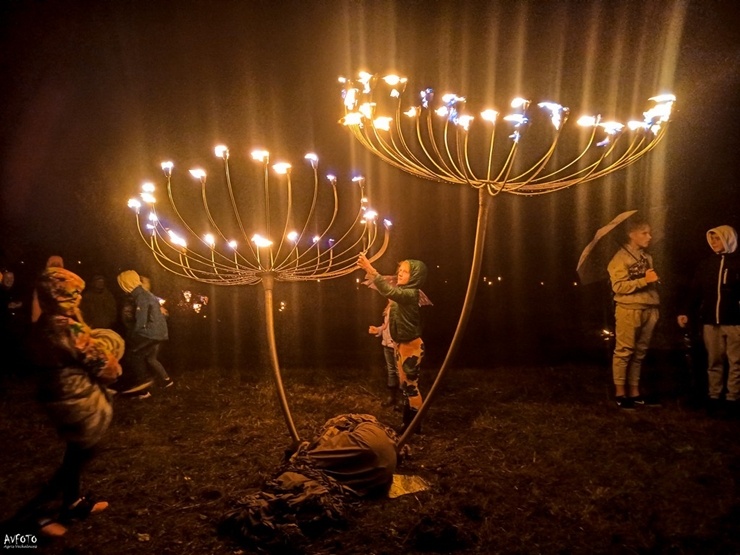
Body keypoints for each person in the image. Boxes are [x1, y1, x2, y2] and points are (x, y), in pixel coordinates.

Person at [17, 267, 123, 537]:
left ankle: (72, 503)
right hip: (75, 400)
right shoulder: (66, 325)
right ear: (60, 294)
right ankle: (37, 517)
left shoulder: (49, 322)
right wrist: (111, 349)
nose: (78, 298)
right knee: (83, 452)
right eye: (72, 293)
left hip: (61, 396)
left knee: (77, 451)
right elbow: (100, 364)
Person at [357, 253, 428, 431]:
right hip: (400, 345)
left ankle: (414, 425)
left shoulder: (411, 294)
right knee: (405, 386)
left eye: (406, 272)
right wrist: (380, 329)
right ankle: (408, 422)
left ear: (416, 277)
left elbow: (390, 291)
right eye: (400, 270)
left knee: (411, 387)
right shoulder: (401, 297)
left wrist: (370, 269)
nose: (400, 274)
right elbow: (389, 294)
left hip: (411, 346)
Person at [677, 225, 740, 416]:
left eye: (718, 239)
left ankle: (733, 399)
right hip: (711, 321)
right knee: (714, 361)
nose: (713, 243)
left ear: (728, 239)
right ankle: (714, 397)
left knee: (736, 362)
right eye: (711, 239)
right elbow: (695, 291)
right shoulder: (706, 265)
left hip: (735, 322)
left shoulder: (738, 263)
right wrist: (685, 311)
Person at [607, 219, 660, 409]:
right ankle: (621, 393)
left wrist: (651, 282)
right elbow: (618, 287)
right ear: (632, 234)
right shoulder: (619, 259)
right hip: (629, 309)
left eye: (649, 233)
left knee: (640, 352)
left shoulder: (647, 257)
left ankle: (635, 392)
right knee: (624, 351)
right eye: (644, 233)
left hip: (649, 308)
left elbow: (647, 281)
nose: (649, 237)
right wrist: (644, 281)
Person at [116, 270, 172, 395]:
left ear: (126, 283)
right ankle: (166, 381)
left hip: (151, 333)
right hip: (159, 333)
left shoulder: (141, 297)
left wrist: (134, 334)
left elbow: (141, 320)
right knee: (150, 357)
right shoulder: (145, 294)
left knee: (134, 355)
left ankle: (143, 385)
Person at [369, 300, 400, 408]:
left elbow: (401, 326)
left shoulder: (400, 306)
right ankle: (392, 397)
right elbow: (386, 326)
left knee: (399, 372)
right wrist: (378, 330)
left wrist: (398, 341)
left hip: (396, 345)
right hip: (387, 344)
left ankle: (402, 400)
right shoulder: (388, 307)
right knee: (391, 371)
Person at [31, 256, 64, 323]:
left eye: (58, 264)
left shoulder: (67, 283)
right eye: (54, 264)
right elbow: (36, 307)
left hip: (62, 323)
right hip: (47, 323)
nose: (56, 266)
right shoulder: (41, 283)